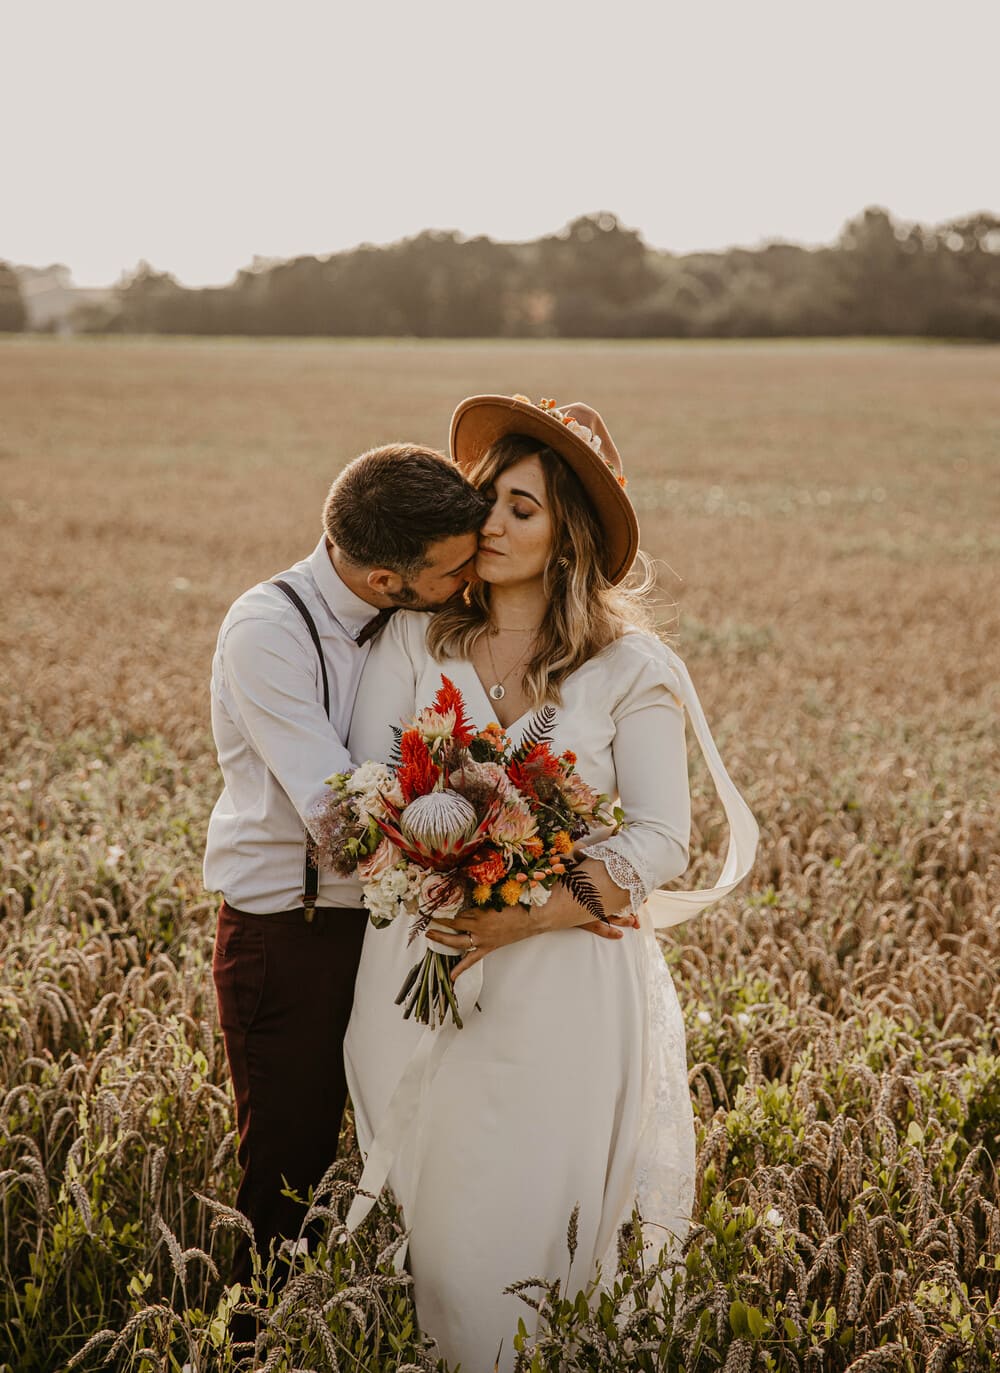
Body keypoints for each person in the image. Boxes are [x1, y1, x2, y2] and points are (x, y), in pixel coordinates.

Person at [343, 395, 759, 1371]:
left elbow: (661, 837)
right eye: (484, 499)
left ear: (566, 531)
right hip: (424, 969)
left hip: (564, 984)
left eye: (519, 508)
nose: (489, 522)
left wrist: (527, 913)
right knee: (440, 1233)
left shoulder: (628, 666)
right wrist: (420, 855)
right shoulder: (417, 641)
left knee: (537, 1222)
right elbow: (368, 782)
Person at [203, 442, 492, 1309]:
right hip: (287, 939)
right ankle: (259, 1337)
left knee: (400, 1148)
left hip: (386, 932)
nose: (472, 576)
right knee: (289, 1172)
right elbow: (338, 823)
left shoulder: (423, 618)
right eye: (453, 567)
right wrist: (483, 864)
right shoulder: (267, 631)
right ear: (381, 577)